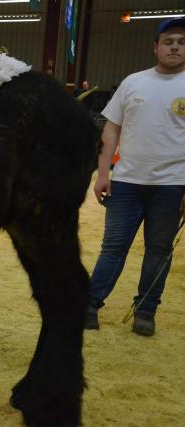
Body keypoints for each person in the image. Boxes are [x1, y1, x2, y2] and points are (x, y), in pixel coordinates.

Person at [86, 17, 185, 336]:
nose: (175, 47)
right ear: (156, 46)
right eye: (168, 41)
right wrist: (103, 173)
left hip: (173, 186)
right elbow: (111, 131)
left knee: (158, 250)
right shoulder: (133, 83)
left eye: (182, 42)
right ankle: (89, 305)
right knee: (113, 248)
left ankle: (145, 311)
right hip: (126, 182)